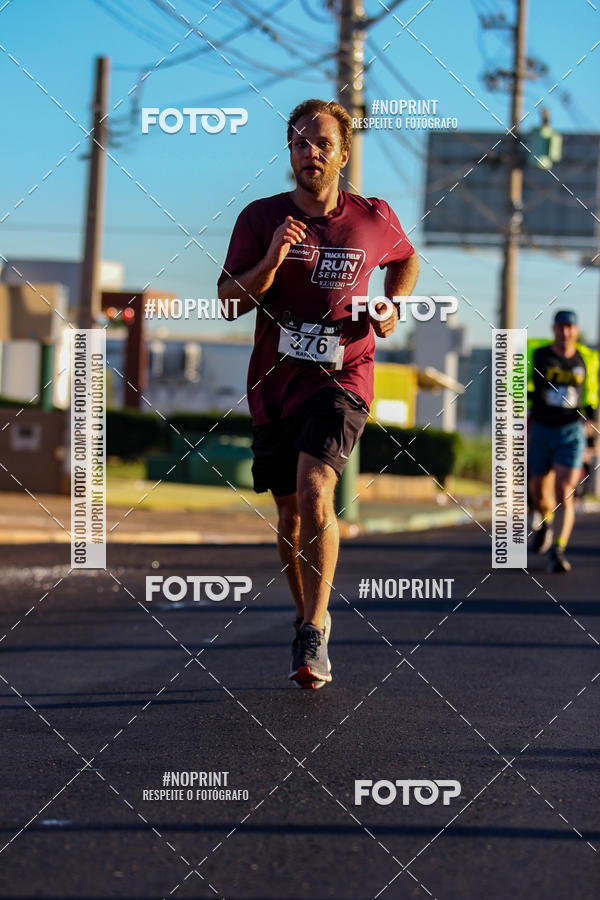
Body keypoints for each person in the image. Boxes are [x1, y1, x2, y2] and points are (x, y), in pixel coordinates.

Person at [217, 98, 419, 687]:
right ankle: (307, 613)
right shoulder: (261, 218)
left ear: (343, 152)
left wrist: (393, 304)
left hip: (344, 377)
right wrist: (273, 259)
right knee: (287, 515)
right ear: (290, 152)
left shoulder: (372, 217)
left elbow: (405, 261)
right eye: (301, 143)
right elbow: (230, 300)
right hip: (274, 384)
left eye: (323, 143)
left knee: (315, 487)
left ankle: (315, 625)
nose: (312, 153)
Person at [527, 310, 598, 572]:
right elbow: (515, 379)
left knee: (565, 490)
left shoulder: (587, 359)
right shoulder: (539, 354)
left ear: (576, 330)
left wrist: (592, 429)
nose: (565, 332)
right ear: (553, 329)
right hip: (542, 428)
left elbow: (592, 395)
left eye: (570, 327)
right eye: (560, 327)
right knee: (539, 492)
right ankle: (545, 520)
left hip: (572, 430)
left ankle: (558, 549)